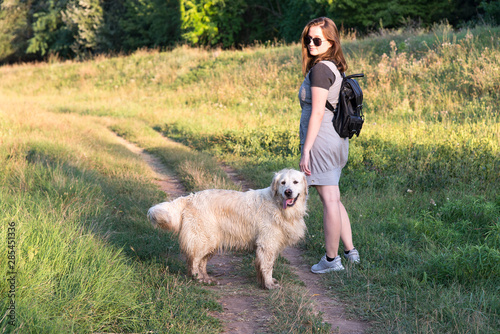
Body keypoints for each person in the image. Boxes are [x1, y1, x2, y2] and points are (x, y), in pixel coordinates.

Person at [298, 17, 360, 273]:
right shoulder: (334, 66)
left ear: (331, 41)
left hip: (322, 141)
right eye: (308, 39)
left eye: (317, 40)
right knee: (334, 198)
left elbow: (317, 113)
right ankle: (350, 252)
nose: (311, 44)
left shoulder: (321, 69)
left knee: (329, 200)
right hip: (336, 139)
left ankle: (331, 260)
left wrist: (306, 149)